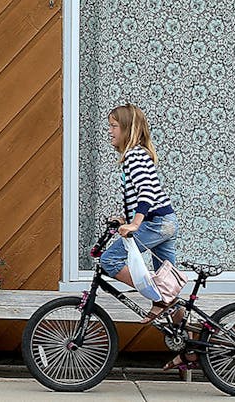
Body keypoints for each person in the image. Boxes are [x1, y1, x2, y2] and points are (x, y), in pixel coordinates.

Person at [96, 104, 191, 371]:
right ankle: (188, 349)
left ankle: (159, 299)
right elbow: (143, 195)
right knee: (169, 284)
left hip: (157, 223)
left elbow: (147, 192)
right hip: (165, 221)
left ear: (127, 129)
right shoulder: (138, 156)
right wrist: (124, 221)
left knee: (110, 260)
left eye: (113, 126)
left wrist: (136, 223)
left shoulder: (134, 156)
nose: (110, 132)